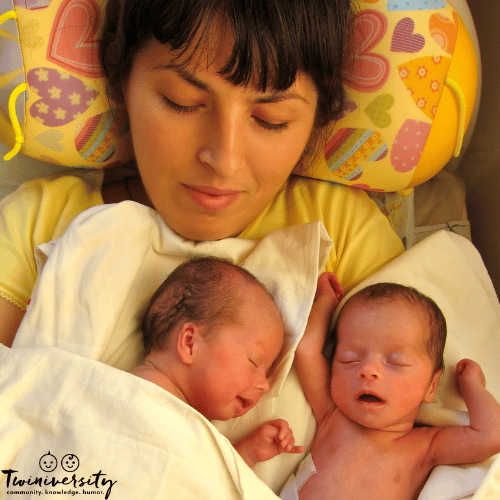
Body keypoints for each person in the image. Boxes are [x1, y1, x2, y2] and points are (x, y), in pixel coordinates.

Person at [0, 0, 405, 347]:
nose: (224, 160)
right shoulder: (39, 224)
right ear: (121, 76)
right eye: (182, 102)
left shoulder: (345, 235)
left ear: (318, 116)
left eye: (271, 120)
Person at [289, 274, 500, 500]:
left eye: (396, 361)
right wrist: (325, 300)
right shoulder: (332, 416)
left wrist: (473, 386)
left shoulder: (425, 446)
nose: (368, 370)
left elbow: (491, 436)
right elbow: (306, 349)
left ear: (432, 387)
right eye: (350, 359)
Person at [130, 256, 304, 468]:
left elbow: (202, 480)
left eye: (266, 373)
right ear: (190, 343)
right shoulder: (141, 390)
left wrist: (248, 453)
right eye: (253, 361)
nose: (265, 385)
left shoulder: (195, 424)